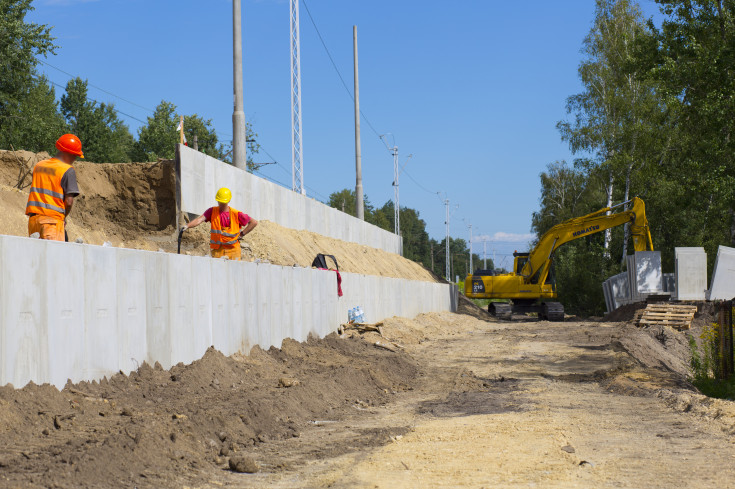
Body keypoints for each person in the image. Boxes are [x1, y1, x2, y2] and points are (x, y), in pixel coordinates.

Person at [26, 134, 83, 241]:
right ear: (68, 153)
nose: (75, 158)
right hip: (52, 222)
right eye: (75, 155)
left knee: (36, 256)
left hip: (33, 221)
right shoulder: (67, 170)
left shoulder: (39, 165)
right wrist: (63, 217)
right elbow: (69, 202)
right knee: (55, 256)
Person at [182, 187, 258, 260]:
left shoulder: (236, 214)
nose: (221, 204)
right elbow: (199, 219)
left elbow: (253, 222)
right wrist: (187, 226)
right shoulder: (212, 211)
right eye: (220, 201)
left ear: (228, 201)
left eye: (223, 202)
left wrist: (242, 234)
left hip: (233, 250)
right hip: (218, 250)